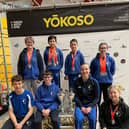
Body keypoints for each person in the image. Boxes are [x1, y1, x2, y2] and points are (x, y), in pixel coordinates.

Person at [74, 63, 100, 129]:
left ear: (89, 70)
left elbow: (97, 98)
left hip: (91, 105)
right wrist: (81, 107)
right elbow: (75, 96)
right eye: (82, 69)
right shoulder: (76, 82)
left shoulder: (95, 82)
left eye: (86, 69)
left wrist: (90, 107)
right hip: (80, 105)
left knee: (92, 119)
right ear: (80, 71)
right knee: (78, 119)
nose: (84, 71)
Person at [90, 42, 116, 106]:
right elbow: (91, 71)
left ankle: (106, 114)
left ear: (107, 49)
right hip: (97, 82)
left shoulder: (111, 59)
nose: (103, 50)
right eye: (101, 48)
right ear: (99, 49)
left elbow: (112, 71)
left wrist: (108, 76)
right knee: (97, 100)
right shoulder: (94, 60)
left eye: (104, 48)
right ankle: (97, 114)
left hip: (107, 82)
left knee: (107, 99)